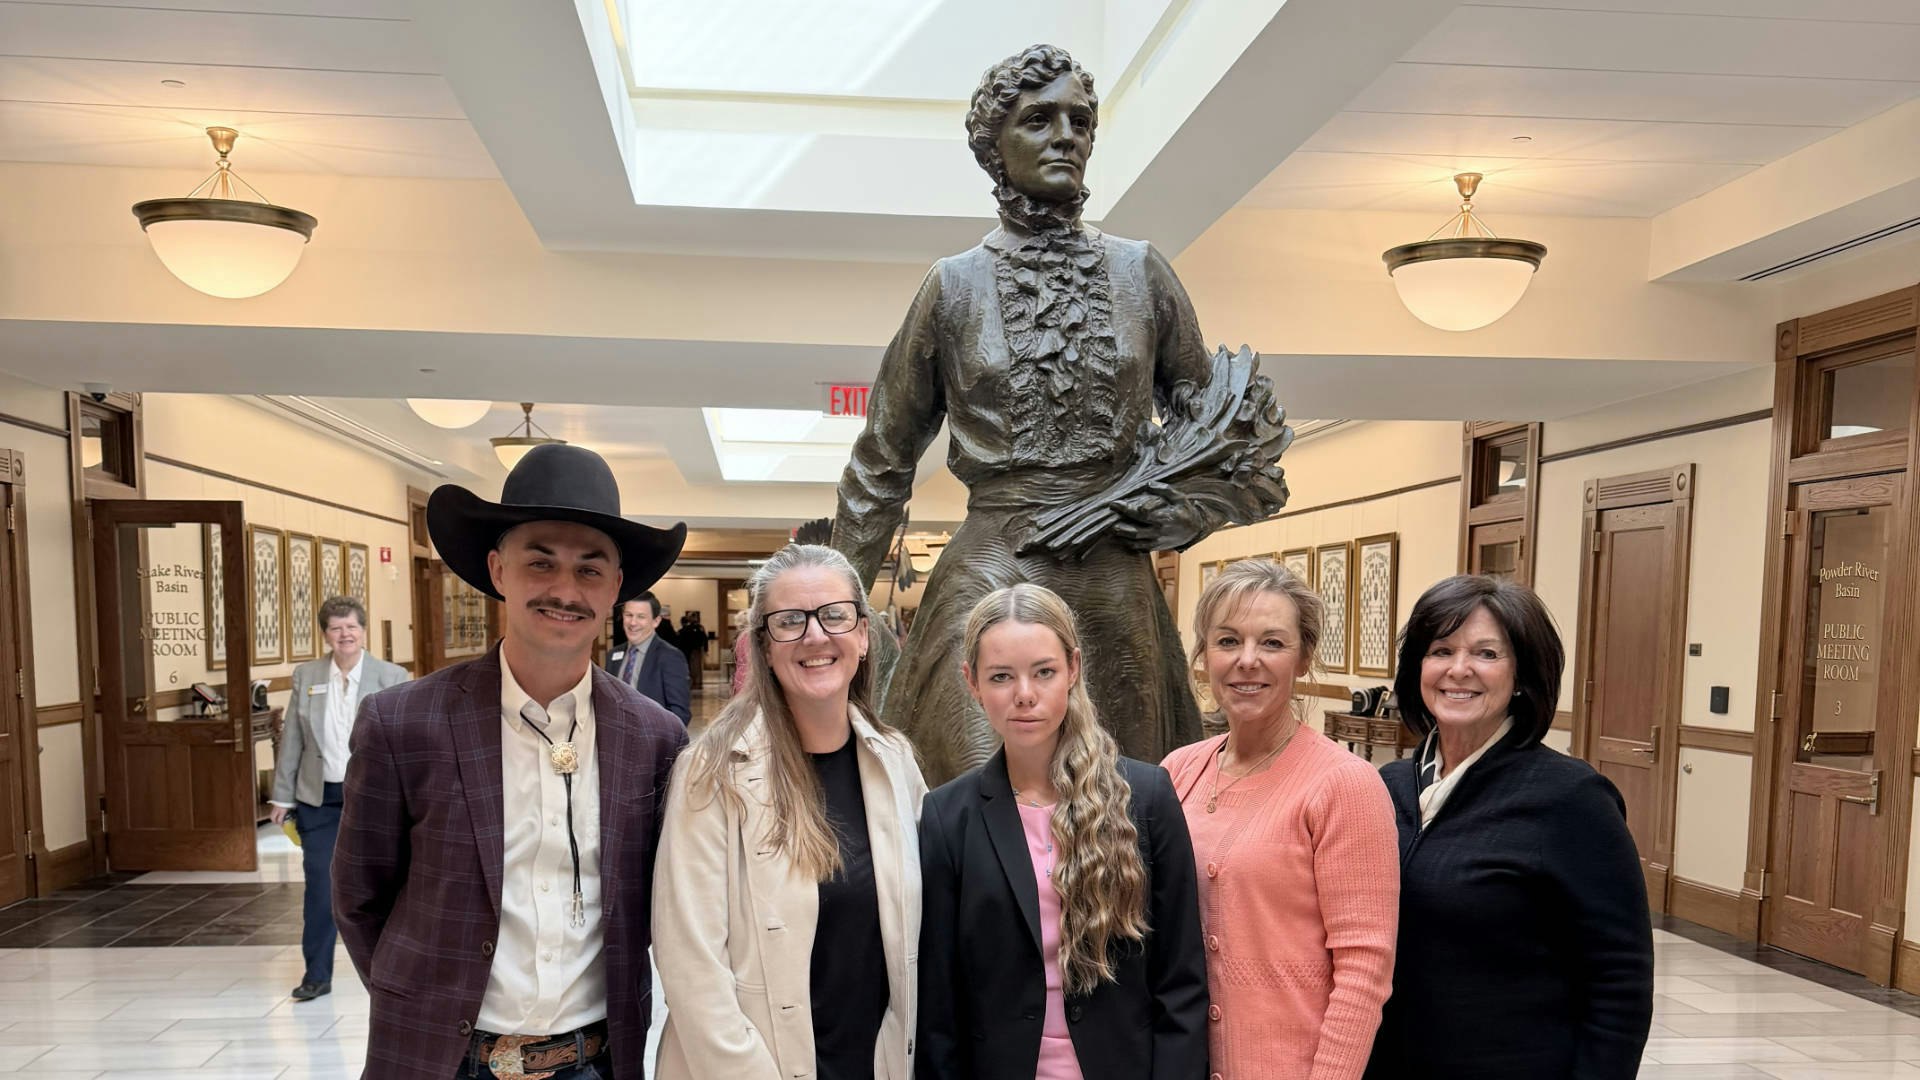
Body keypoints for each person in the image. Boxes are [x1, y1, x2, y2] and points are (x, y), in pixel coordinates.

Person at [833, 44, 1236, 785]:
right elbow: (882, 457)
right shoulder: (952, 287)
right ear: (994, 145)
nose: (1067, 135)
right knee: (973, 787)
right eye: (1040, 119)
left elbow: (1216, 437)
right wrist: (838, 606)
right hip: (992, 559)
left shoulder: (1141, 272)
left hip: (1111, 574)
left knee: (1122, 798)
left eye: (1080, 121)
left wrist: (1161, 513)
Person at [333, 444, 689, 1080]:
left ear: (615, 587)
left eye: (589, 569)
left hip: (597, 1063)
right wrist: (422, 1003)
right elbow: (360, 897)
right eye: (540, 562)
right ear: (498, 570)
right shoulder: (405, 724)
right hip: (443, 1061)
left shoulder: (656, 738)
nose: (563, 589)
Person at [653, 544, 928, 1080]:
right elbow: (691, 967)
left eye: (835, 615)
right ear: (764, 645)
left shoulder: (895, 762)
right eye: (790, 621)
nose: (816, 635)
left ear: (864, 635)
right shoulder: (711, 772)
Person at [1364, 575, 1653, 1080]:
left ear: (1521, 674)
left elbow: (1619, 980)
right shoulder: (1383, 787)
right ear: (1417, 669)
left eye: (1486, 654)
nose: (1459, 670)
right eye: (1441, 650)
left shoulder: (1571, 798)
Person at [919, 583, 1209, 1079]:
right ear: (972, 682)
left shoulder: (1147, 796)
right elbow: (940, 1003)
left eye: (1044, 672)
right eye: (1001, 676)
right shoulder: (949, 817)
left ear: (1073, 669)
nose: (1025, 695)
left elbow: (1180, 979)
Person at [1161, 560, 1398, 1079]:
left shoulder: (1344, 785)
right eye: (1227, 641)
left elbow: (1364, 972)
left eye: (1272, 643)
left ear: (1304, 657)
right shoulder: (1178, 771)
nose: (1247, 661)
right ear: (1204, 656)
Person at [268, 594, 409, 1002]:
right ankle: (316, 973)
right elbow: (293, 739)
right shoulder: (308, 675)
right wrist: (282, 796)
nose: (344, 634)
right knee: (321, 886)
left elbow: (405, 740)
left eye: (351, 627)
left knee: (389, 886)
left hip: (376, 797)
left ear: (363, 631)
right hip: (320, 797)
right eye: (336, 628)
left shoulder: (391, 676)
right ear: (326, 635)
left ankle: (393, 971)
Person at [607, 591, 691, 725]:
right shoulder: (613, 655)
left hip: (653, 741)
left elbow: (680, 713)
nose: (633, 622)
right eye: (629, 615)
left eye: (641, 616)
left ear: (656, 621)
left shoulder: (671, 657)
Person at [679, 610, 709, 691]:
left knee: (696, 667)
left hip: (696, 649)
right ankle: (694, 683)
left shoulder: (698, 627)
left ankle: (697, 683)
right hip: (690, 649)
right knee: (692, 667)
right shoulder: (690, 628)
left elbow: (704, 639)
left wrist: (705, 649)